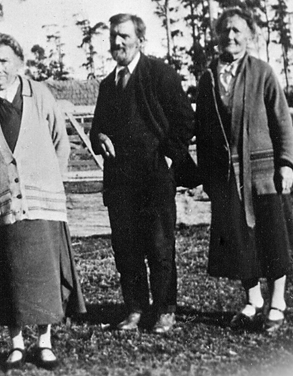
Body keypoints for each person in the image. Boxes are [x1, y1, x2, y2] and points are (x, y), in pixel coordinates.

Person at [0, 33, 86, 370]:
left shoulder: (40, 95)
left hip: (43, 205)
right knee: (9, 276)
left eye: (4, 61)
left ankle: (44, 342)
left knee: (43, 275)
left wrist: (47, 183)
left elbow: (61, 142)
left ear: (18, 63)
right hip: (1, 207)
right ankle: (15, 344)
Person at [195, 7, 293, 333]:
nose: (231, 36)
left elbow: (282, 121)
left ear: (250, 36)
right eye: (225, 30)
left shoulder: (262, 72)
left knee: (271, 238)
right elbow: (204, 130)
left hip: (263, 175)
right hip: (228, 177)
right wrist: (208, 176)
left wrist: (286, 164)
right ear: (217, 36)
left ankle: (278, 302)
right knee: (240, 241)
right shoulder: (209, 77)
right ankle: (253, 299)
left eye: (238, 31)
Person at [90, 13, 195, 333]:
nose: (117, 42)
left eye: (123, 36)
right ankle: (135, 308)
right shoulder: (109, 84)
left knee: (159, 245)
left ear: (139, 40)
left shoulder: (159, 74)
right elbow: (97, 129)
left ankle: (165, 309)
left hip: (154, 176)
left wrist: (167, 157)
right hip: (120, 180)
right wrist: (101, 137)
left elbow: (186, 121)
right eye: (113, 37)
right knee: (126, 247)